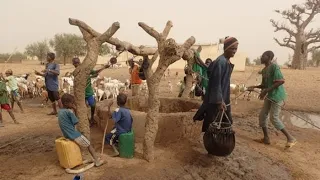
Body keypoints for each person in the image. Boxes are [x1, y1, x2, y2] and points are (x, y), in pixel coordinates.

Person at [248, 51, 297, 148]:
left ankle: (291, 138)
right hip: (270, 96)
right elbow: (264, 85)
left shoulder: (274, 67)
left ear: (269, 57)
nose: (261, 57)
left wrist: (266, 90)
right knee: (262, 115)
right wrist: (254, 87)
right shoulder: (264, 70)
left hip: (277, 96)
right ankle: (266, 138)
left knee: (273, 118)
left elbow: (281, 81)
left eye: (263, 56)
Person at [193, 36, 239, 132]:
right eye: (232, 48)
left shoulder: (225, 61)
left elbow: (210, 72)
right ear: (226, 48)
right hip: (217, 99)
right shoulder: (220, 62)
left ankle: (216, 142)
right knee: (214, 122)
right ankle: (212, 143)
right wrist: (219, 101)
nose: (234, 51)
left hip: (223, 96)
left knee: (223, 122)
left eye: (236, 49)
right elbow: (216, 82)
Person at [57, 93, 104, 166]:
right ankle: (97, 160)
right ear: (66, 103)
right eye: (72, 103)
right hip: (73, 134)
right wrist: (75, 110)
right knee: (88, 144)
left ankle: (80, 159)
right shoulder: (69, 112)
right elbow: (76, 121)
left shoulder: (60, 111)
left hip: (66, 134)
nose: (73, 104)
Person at [71, 57, 110, 126]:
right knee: (83, 107)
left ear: (79, 63)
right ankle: (86, 120)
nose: (76, 65)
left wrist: (104, 67)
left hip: (88, 92)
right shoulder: (75, 72)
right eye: (75, 63)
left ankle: (91, 118)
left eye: (77, 63)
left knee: (92, 105)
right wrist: (92, 76)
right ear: (73, 64)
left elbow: (95, 72)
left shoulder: (86, 69)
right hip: (81, 93)